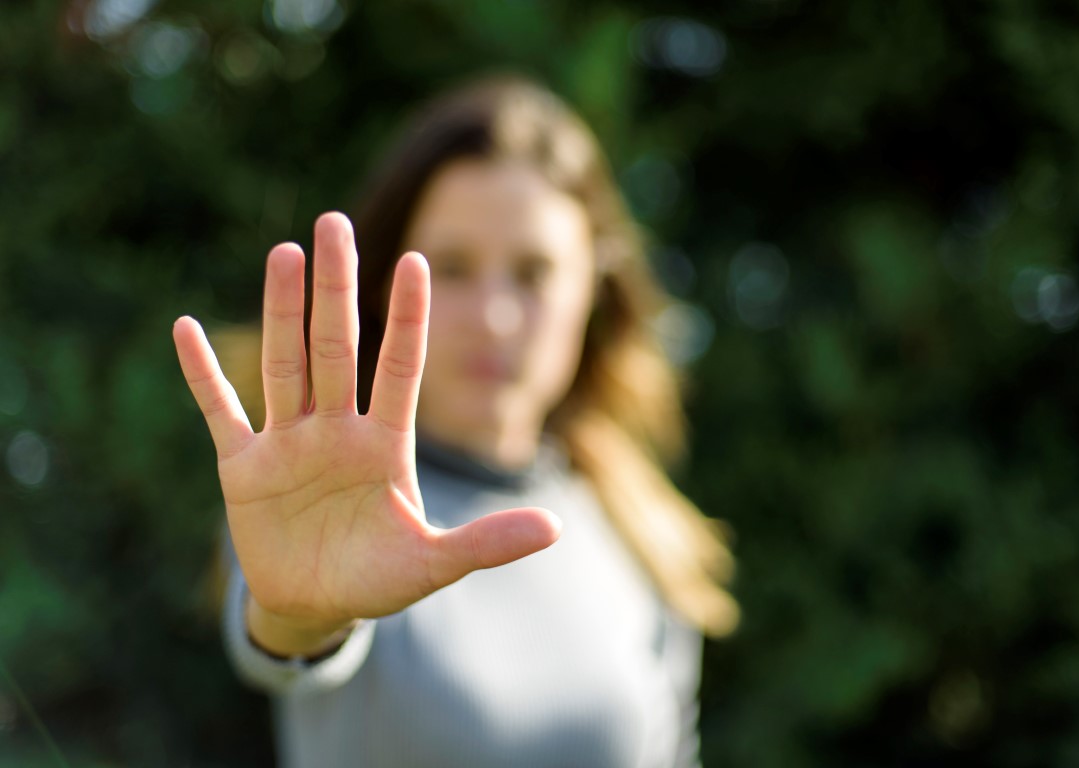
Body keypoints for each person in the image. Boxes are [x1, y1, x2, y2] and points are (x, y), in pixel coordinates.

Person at [173, 75, 738, 768]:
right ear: (385, 284)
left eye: (533, 273)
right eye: (454, 267)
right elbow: (287, 637)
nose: (494, 316)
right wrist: (301, 616)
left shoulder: (640, 529)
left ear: (592, 287)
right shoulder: (327, 492)